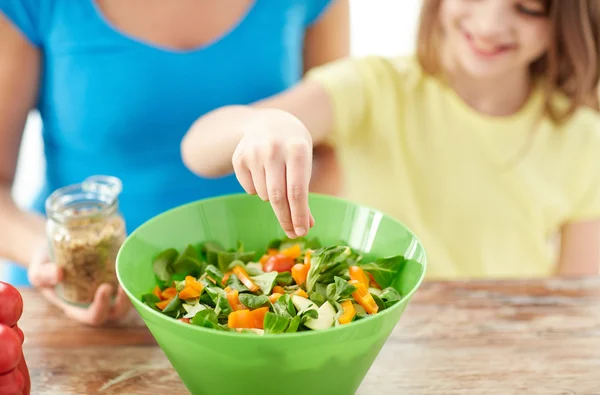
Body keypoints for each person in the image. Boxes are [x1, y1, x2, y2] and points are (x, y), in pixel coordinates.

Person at [182, 0, 600, 279]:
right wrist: (260, 125)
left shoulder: (584, 137)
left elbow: (573, 298)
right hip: (376, 344)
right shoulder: (373, 87)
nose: (491, 24)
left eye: (528, 8)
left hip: (506, 354)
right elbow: (199, 146)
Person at [0, 0, 349, 325]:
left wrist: (289, 271)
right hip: (85, 306)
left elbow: (333, 144)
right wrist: (47, 254)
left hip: (250, 303)